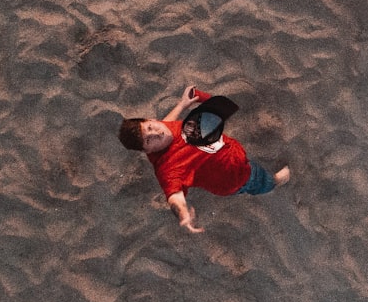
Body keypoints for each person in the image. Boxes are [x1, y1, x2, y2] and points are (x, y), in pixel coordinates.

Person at [117, 85, 290, 233]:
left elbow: (167, 123)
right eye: (149, 140)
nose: (157, 133)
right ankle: (273, 183)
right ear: (146, 150)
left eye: (150, 127)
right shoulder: (167, 169)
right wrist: (183, 214)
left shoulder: (163, 128)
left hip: (232, 153)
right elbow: (174, 196)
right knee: (258, 180)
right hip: (237, 177)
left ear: (150, 119)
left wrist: (182, 104)